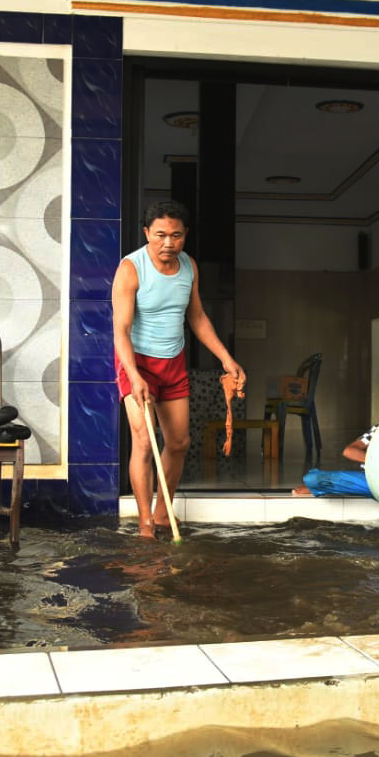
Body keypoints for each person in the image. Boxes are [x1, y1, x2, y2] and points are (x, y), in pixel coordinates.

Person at [113, 200, 246, 539]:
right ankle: (144, 524)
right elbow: (121, 330)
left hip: (172, 361)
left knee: (179, 442)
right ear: (146, 233)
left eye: (176, 235)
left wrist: (225, 359)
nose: (168, 243)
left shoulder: (189, 266)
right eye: (160, 235)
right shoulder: (131, 268)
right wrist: (134, 375)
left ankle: (162, 513)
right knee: (143, 442)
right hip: (136, 361)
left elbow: (197, 317)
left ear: (186, 235)